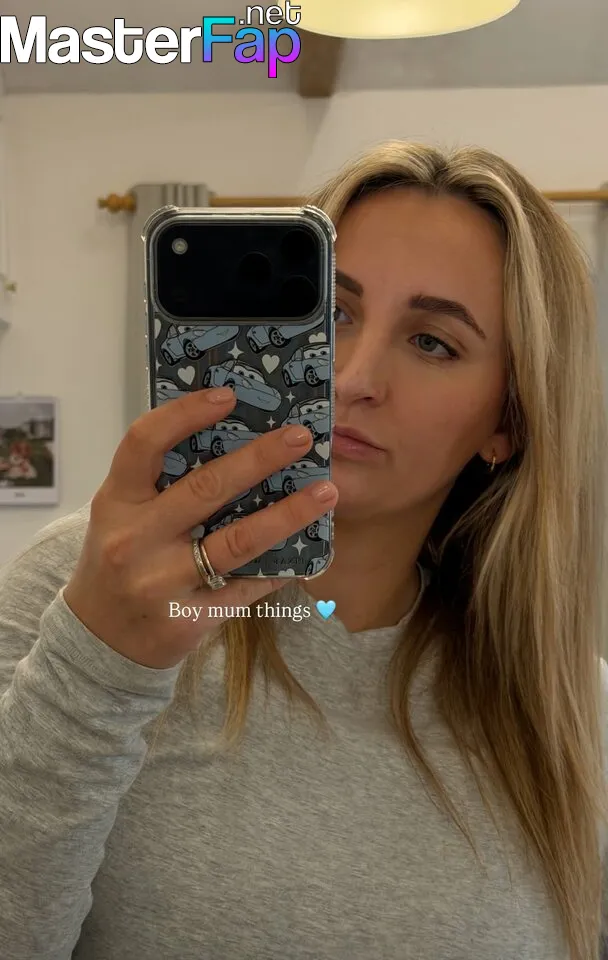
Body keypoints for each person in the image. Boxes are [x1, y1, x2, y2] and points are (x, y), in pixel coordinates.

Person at [0, 139, 606, 960]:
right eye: (332, 313)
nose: (350, 376)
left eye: (433, 342)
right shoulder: (79, 587)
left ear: (507, 422)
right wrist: (99, 667)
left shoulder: (569, 704)